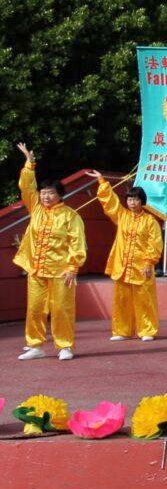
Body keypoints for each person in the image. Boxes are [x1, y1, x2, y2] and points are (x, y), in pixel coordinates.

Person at [14, 143, 86, 361]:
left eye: (50, 193)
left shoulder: (70, 216)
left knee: (62, 309)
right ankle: (34, 345)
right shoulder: (35, 208)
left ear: (59, 195)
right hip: (36, 269)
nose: (45, 196)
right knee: (34, 308)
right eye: (43, 192)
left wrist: (73, 267)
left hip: (61, 271)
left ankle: (65, 346)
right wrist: (29, 163)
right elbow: (27, 186)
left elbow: (77, 242)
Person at [86, 170, 163, 342]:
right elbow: (110, 203)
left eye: (135, 199)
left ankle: (147, 330)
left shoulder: (150, 221)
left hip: (142, 267)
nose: (132, 203)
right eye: (129, 199)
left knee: (145, 300)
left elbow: (155, 243)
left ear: (142, 201)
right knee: (121, 300)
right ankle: (122, 330)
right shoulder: (121, 216)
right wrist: (102, 181)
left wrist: (149, 262)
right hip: (122, 265)